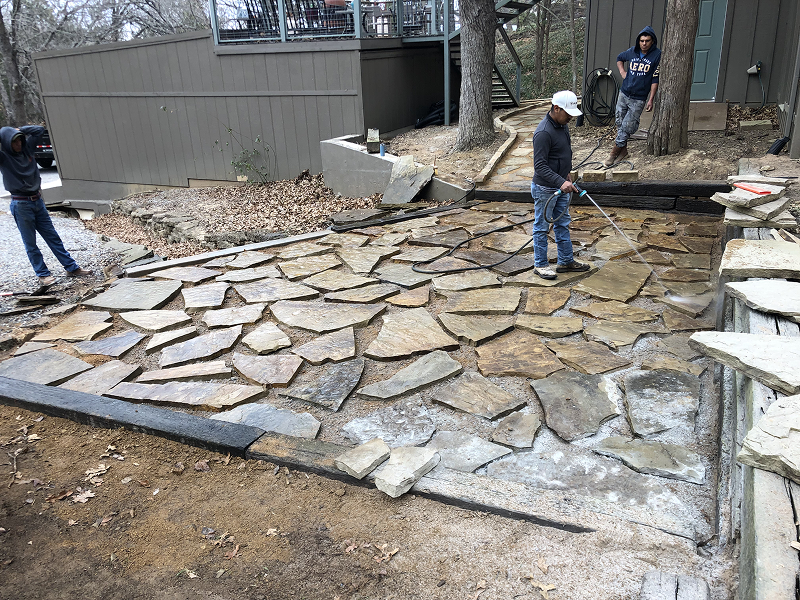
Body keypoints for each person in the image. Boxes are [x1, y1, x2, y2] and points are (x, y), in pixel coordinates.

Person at [0, 126, 92, 286]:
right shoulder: (4, 157)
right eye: (14, 141)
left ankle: (71, 267)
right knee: (31, 243)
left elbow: (39, 130)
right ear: (7, 143)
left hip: (37, 201)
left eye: (20, 140)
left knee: (53, 237)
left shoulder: (27, 150)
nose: (19, 144)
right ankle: (43, 274)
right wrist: (3, 133)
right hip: (21, 204)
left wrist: (20, 129)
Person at [531, 90, 591, 280]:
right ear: (556, 108)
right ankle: (540, 265)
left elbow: (562, 154)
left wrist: (567, 174)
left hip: (561, 184)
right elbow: (540, 166)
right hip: (544, 189)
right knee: (541, 227)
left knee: (562, 224)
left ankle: (565, 261)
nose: (570, 119)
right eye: (568, 114)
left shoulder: (562, 125)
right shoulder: (543, 133)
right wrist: (560, 181)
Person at [604, 25, 661, 167]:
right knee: (619, 122)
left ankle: (613, 154)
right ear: (638, 41)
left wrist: (651, 98)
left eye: (647, 40)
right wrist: (623, 72)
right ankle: (623, 152)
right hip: (624, 93)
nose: (644, 43)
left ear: (652, 41)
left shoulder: (656, 55)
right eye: (642, 40)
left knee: (627, 126)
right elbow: (619, 58)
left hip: (639, 98)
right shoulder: (632, 51)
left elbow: (655, 79)